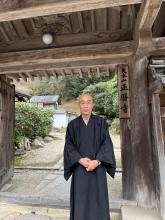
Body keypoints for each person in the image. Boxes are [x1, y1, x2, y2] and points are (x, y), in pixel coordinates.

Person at [63, 93, 116, 220]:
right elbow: (69, 146)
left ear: (92, 104)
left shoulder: (101, 123)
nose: (86, 105)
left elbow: (107, 144)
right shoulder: (72, 125)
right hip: (80, 168)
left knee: (98, 198)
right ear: (79, 105)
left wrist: (96, 161)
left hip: (98, 167)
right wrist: (80, 160)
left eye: (88, 102)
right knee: (81, 199)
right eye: (82, 102)